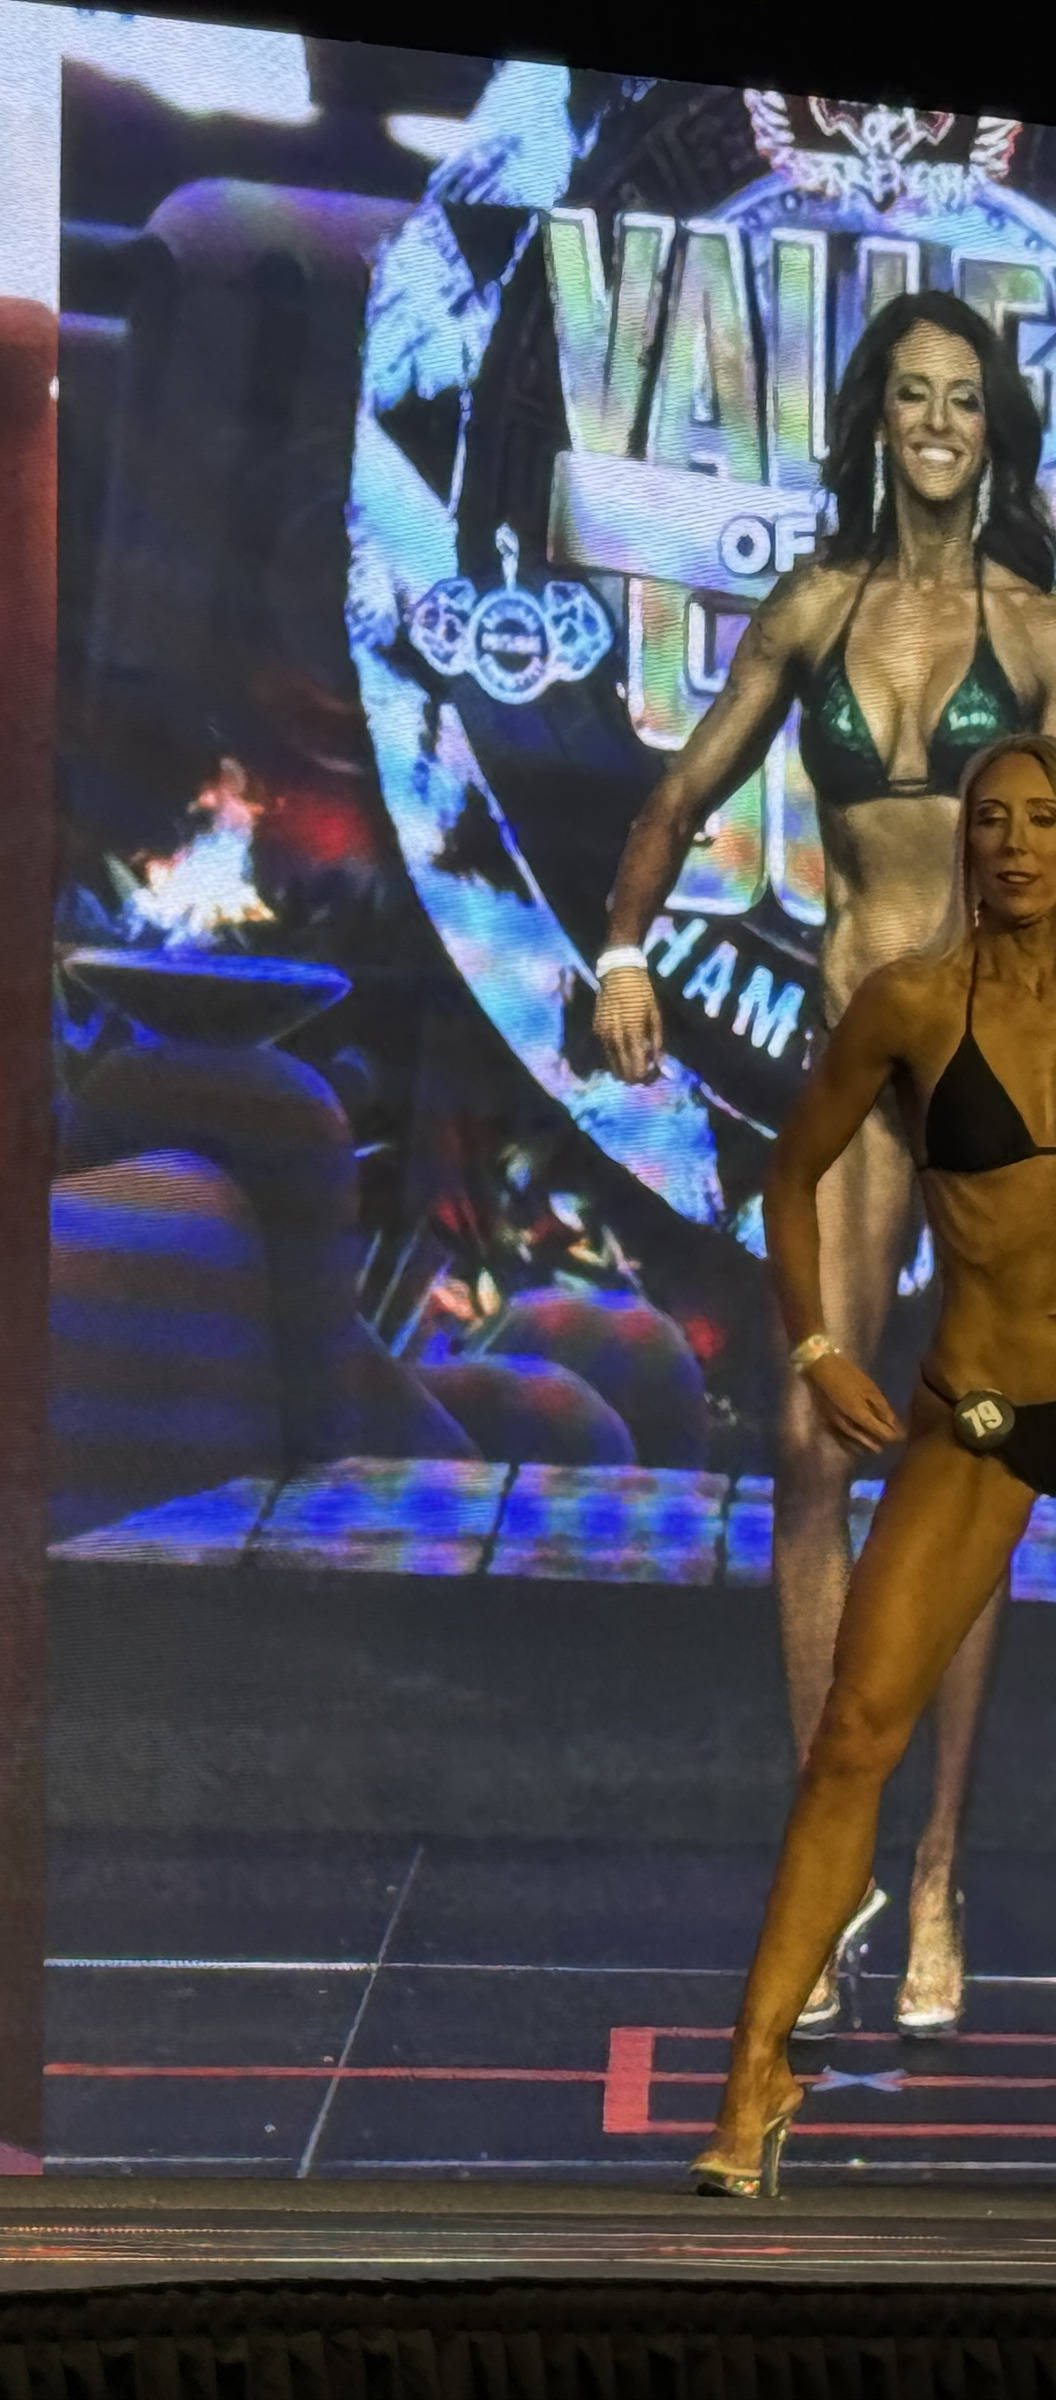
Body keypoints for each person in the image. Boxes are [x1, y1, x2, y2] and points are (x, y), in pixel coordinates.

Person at [598, 295, 1056, 2036]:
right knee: (810, 1442)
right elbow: (679, 793)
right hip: (864, 1054)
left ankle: (936, 1871)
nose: (938, 424)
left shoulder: (1039, 626)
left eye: (965, 400)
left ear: (995, 429)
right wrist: (622, 951)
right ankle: (836, 1848)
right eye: (913, 397)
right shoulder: (814, 606)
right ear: (877, 420)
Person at [695, 731, 1056, 2195]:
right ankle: (754, 2080)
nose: (1017, 845)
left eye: (1044, 820)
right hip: (982, 1410)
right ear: (965, 844)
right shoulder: (912, 1004)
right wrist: (813, 1348)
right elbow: (790, 1174)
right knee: (853, 1734)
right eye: (995, 821)